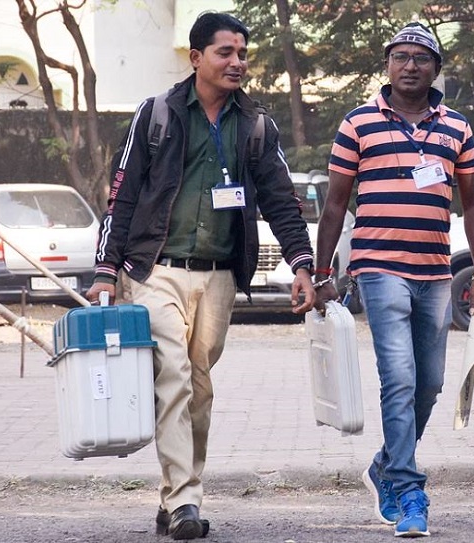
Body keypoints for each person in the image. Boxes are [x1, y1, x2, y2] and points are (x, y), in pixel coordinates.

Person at [86, 12, 315, 540]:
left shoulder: (256, 124)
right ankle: (188, 502)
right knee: (173, 379)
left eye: (242, 54)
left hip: (219, 278)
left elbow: (281, 200)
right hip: (154, 270)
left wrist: (302, 264)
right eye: (224, 53)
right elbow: (121, 196)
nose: (236, 62)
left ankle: (174, 498)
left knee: (199, 391)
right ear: (196, 58)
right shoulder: (157, 114)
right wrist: (105, 270)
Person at [314, 22, 474, 538]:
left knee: (431, 382)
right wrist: (325, 274)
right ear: (387, 65)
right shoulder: (358, 123)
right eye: (400, 56)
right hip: (378, 266)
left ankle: (387, 464)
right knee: (401, 376)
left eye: (420, 57)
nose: (409, 65)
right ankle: (411, 492)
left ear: (436, 68)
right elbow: (335, 206)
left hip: (435, 272)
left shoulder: (456, 126)